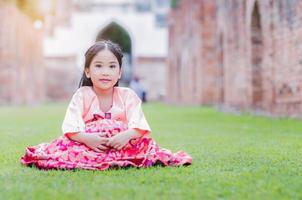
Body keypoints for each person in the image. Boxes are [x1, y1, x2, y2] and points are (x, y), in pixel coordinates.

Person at [20, 40, 192, 170]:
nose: (105, 72)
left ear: (119, 72)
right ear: (87, 71)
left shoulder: (127, 95)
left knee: (145, 144)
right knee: (66, 147)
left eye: (111, 66)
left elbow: (139, 124)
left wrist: (126, 135)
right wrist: (88, 138)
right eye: (98, 66)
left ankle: (116, 156)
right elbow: (71, 126)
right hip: (89, 144)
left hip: (122, 143)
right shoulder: (82, 95)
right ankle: (96, 156)